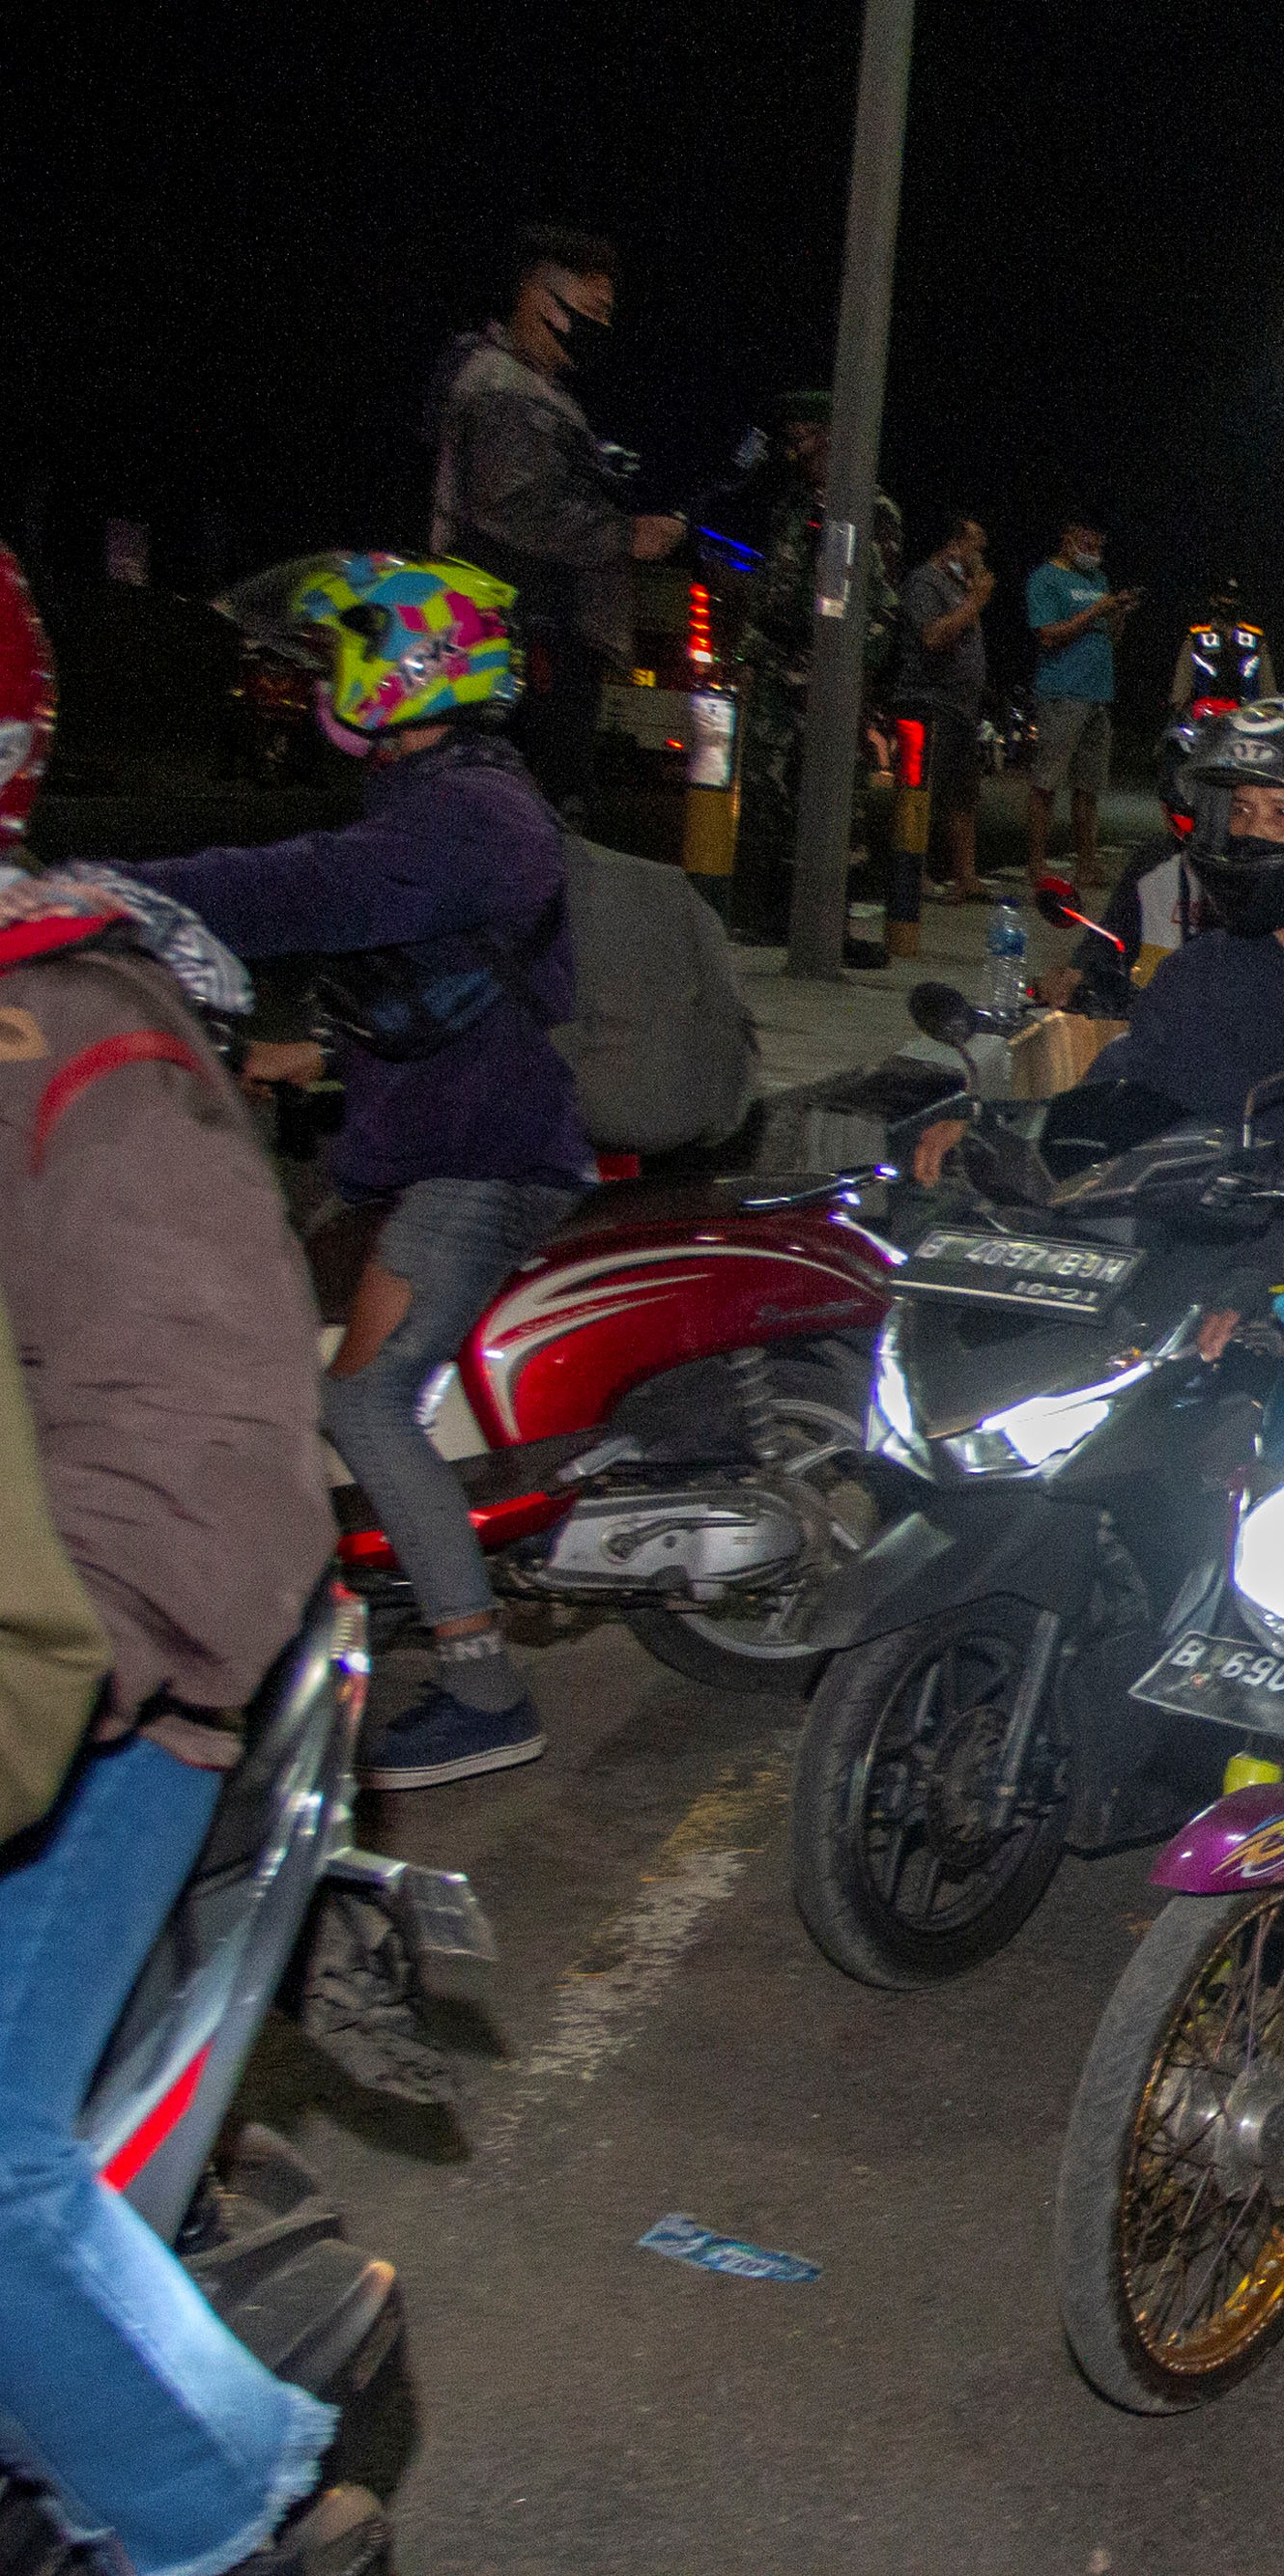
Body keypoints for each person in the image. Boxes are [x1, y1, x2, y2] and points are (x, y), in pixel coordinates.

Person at [0, 548, 381, 2576]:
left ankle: (228, 2512)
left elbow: (204, 1470)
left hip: (92, 1693)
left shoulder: (77, 1042)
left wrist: (62, 1696)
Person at [127, 554, 585, 1794]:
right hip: (446, 1137)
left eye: (338, 658)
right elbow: (451, 979)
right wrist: (309, 1051)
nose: (320, 682)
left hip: (479, 1160)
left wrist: (108, 895)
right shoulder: (441, 796)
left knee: (365, 1402)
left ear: (413, 668)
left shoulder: (474, 812)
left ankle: (485, 1686)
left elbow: (304, 890)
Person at [929, 701, 1284, 1211]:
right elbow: (1122, 1091)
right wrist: (1000, 1130)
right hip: (1190, 1238)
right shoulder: (1196, 970)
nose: (1250, 831)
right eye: (1241, 810)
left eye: (1281, 814)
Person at [425, 224, 685, 815]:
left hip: (525, 636)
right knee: (525, 816)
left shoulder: (528, 387)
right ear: (541, 297)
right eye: (590, 310)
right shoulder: (505, 389)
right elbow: (517, 507)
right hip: (524, 636)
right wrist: (629, 536)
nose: (601, 330)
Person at [733, 390, 899, 956]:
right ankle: (770, 914)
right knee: (766, 792)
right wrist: (750, 659)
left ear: (830, 435)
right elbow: (768, 591)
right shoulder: (791, 504)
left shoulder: (868, 509)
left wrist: (852, 677)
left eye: (802, 433)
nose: (792, 446)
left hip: (830, 680)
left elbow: (881, 609)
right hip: (780, 673)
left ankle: (833, 926)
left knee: (832, 801)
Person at [1026, 518, 1138, 889]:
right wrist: (1095, 611)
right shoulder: (1045, 578)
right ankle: (1037, 865)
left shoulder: (1098, 581)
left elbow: (1112, 640)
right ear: (1067, 538)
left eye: (1098, 546)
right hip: (1061, 691)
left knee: (1088, 788)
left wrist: (1118, 613)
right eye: (1086, 544)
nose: (1093, 552)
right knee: (1046, 784)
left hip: (1098, 694)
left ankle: (1086, 865)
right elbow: (1047, 635)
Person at [888, 513, 993, 905]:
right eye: (975, 546)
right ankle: (912, 873)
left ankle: (966, 875)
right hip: (928, 701)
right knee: (922, 793)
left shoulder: (959, 586)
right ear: (953, 544)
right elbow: (932, 637)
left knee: (963, 795)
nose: (980, 556)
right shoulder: (925, 582)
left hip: (961, 707)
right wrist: (976, 601)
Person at [1165, 580, 1270, 717]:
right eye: (1224, 597)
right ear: (1213, 600)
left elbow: (1267, 680)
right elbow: (1183, 674)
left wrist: (1269, 707)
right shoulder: (1198, 635)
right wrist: (1177, 705)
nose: (1228, 602)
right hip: (1206, 713)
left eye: (1233, 597)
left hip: (1247, 714)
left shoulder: (1254, 637)